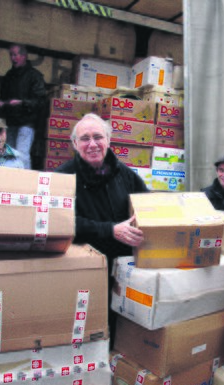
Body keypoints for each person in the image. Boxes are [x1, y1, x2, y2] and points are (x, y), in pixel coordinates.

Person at [56, 113, 148, 347]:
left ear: (108, 140)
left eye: (98, 137)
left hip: (123, 272)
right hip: (82, 273)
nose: (93, 144)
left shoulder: (126, 176)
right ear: (75, 144)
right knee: (86, 335)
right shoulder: (62, 178)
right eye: (85, 138)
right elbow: (58, 221)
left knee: (119, 332)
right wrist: (109, 230)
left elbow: (147, 207)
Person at [0, 44, 47, 169]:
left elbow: (40, 101)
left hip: (27, 122)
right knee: (9, 154)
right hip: (11, 121)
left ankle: (26, 184)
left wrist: (22, 103)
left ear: (24, 56)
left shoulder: (35, 76)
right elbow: (2, 96)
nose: (13, 58)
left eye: (15, 55)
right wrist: (1, 103)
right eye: (11, 55)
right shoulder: (8, 76)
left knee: (22, 154)